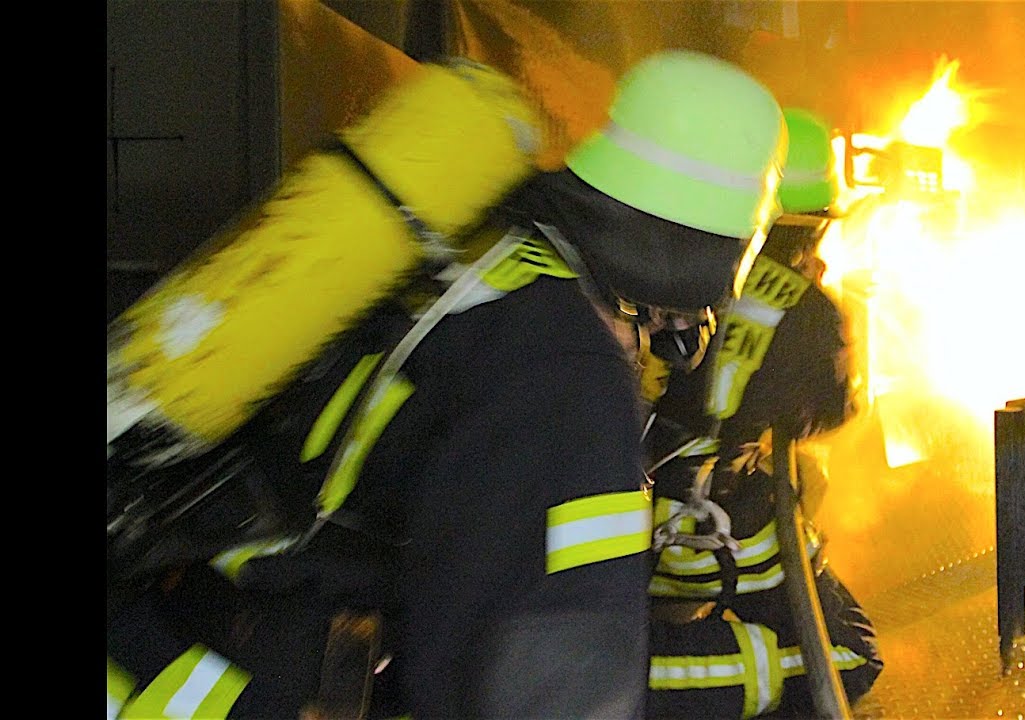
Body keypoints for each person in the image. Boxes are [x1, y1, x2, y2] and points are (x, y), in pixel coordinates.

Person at [107, 49, 788, 720]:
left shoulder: (478, 255)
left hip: (165, 643)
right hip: (241, 692)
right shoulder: (565, 376)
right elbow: (550, 679)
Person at [641, 108, 884, 719]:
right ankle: (621, 679)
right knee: (850, 655)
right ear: (810, 225)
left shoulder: (653, 265)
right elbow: (835, 411)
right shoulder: (811, 310)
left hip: (618, 539)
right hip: (715, 541)